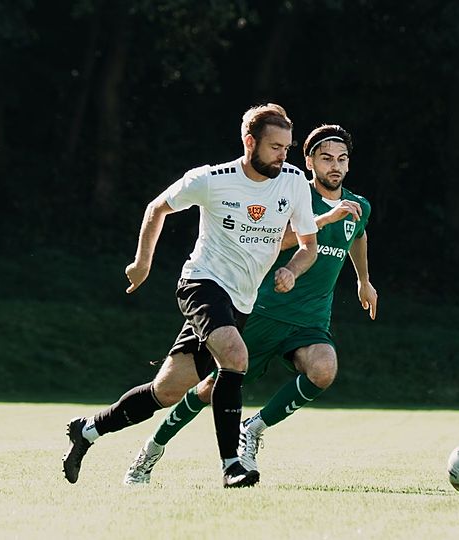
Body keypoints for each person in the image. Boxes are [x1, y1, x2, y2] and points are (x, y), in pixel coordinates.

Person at [62, 103, 319, 488]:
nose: (283, 155)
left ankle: (87, 431)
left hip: (240, 301)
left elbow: (308, 245)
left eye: (287, 147)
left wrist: (291, 270)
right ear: (250, 142)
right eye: (275, 147)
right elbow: (157, 208)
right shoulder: (212, 179)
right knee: (235, 358)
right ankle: (232, 465)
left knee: (166, 391)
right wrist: (142, 264)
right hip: (202, 283)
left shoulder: (294, 182)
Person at [123, 124, 377, 484]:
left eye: (342, 159)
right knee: (207, 389)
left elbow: (358, 235)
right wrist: (323, 221)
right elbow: (281, 239)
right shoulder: (289, 189)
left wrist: (363, 280)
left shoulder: (358, 205)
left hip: (310, 318)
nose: (334, 166)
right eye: (326, 158)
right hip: (262, 310)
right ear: (309, 162)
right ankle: (151, 449)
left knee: (323, 369)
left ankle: (254, 428)